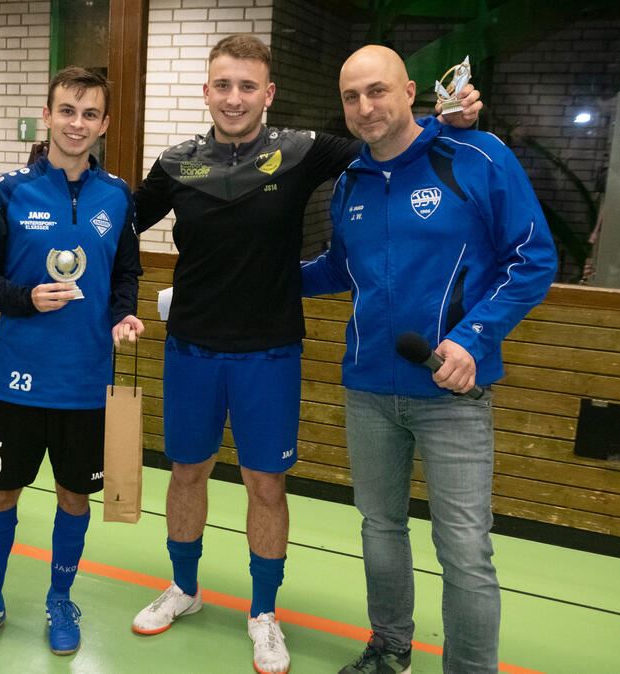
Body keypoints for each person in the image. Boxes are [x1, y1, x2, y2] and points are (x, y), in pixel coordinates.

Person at [129, 34, 481, 674]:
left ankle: (264, 613)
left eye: (247, 86)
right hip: (190, 351)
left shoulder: (302, 150)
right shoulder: (177, 163)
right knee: (185, 474)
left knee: (266, 484)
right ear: (206, 91)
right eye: (222, 84)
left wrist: (447, 123)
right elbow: (116, 225)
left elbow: (388, 141)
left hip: (269, 354)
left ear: (268, 93)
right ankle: (183, 586)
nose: (234, 98)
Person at [301, 46, 556, 674]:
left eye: (377, 91)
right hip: (368, 389)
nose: (365, 107)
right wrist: (259, 275)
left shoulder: (476, 155)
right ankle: (390, 648)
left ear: (409, 91)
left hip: (452, 395)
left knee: (464, 550)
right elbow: (340, 268)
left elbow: (532, 258)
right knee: (379, 529)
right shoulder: (351, 180)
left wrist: (474, 339)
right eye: (352, 97)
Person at [0, 67, 143, 662]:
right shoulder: (9, 191)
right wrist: (24, 299)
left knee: (74, 498)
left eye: (89, 114)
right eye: (67, 110)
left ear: (104, 123)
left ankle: (61, 600)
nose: (76, 124)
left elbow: (127, 273)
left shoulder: (118, 195)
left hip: (86, 383)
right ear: (48, 115)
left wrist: (123, 315)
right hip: (16, 380)